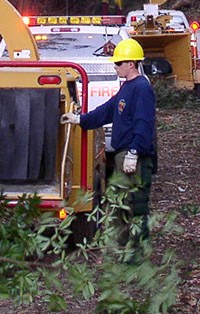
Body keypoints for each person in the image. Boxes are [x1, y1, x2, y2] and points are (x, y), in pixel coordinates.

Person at [60, 38, 156, 263]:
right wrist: (80, 119)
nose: (115, 67)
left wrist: (134, 151)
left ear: (131, 64)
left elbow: (144, 123)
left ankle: (137, 256)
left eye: (118, 64)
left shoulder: (141, 88)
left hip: (135, 156)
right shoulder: (127, 87)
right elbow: (107, 111)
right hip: (125, 154)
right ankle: (123, 252)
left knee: (136, 205)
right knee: (119, 205)